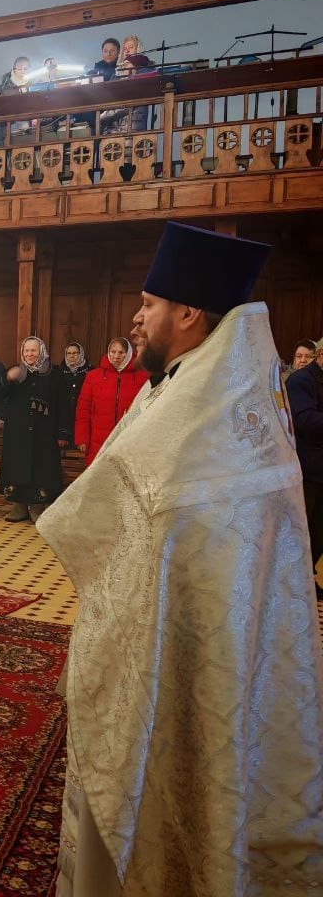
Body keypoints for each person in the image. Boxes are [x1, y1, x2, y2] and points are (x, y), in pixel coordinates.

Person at [38, 222, 323, 894]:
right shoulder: (188, 385)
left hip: (199, 640)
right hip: (163, 624)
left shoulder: (211, 408)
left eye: (148, 304)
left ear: (189, 312)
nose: (136, 319)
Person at [0, 337, 69, 523]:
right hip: (18, 432)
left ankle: (37, 507)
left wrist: (63, 432)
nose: (30, 354)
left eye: (34, 351)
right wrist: (7, 379)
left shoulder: (54, 374)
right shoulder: (16, 372)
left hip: (44, 433)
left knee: (41, 469)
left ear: (42, 351)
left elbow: (64, 406)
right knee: (18, 467)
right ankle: (19, 506)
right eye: (26, 351)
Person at [74, 337, 149, 466]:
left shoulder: (142, 377)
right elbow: (83, 409)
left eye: (121, 352)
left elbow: (147, 408)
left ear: (128, 353)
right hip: (99, 441)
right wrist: (82, 438)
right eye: (113, 352)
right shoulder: (93, 376)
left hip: (127, 439)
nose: (116, 356)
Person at [287, 336, 323, 585]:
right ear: (321, 355)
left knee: (319, 530)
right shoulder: (300, 380)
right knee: (303, 528)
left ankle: (307, 579)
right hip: (307, 469)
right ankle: (296, 584)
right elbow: (305, 421)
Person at [54, 342, 90, 431]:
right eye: (69, 353)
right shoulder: (59, 371)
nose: (72, 356)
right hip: (63, 418)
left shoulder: (90, 371)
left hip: (83, 416)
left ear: (81, 354)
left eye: (75, 353)